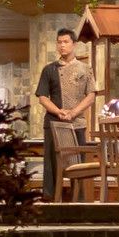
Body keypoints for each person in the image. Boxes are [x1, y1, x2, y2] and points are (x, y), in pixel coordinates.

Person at [36, 23, 98, 196]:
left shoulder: (85, 69)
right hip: (54, 122)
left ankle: (78, 199)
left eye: (65, 42)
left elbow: (91, 95)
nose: (62, 45)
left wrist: (73, 112)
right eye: (59, 42)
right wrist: (58, 111)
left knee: (78, 162)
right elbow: (42, 97)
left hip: (77, 122)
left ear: (74, 44)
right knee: (52, 162)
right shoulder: (49, 69)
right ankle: (50, 198)